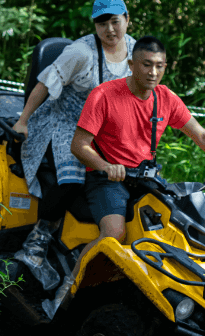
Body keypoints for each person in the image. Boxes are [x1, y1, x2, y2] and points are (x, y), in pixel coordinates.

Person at [41, 35, 205, 317]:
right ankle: (66, 292)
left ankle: (189, 300)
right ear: (131, 64)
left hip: (146, 178)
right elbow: (79, 145)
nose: (152, 72)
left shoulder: (165, 98)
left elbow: (202, 135)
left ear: (166, 66)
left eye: (159, 66)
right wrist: (106, 166)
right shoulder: (105, 95)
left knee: (180, 227)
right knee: (114, 234)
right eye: (146, 65)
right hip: (108, 178)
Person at [11, 0, 136, 291]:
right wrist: (23, 120)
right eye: (102, 23)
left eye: (115, 21)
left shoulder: (135, 51)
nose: (110, 29)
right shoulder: (81, 52)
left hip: (107, 128)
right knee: (72, 176)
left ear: (127, 19)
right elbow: (45, 83)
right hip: (66, 122)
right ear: (95, 25)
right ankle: (38, 241)